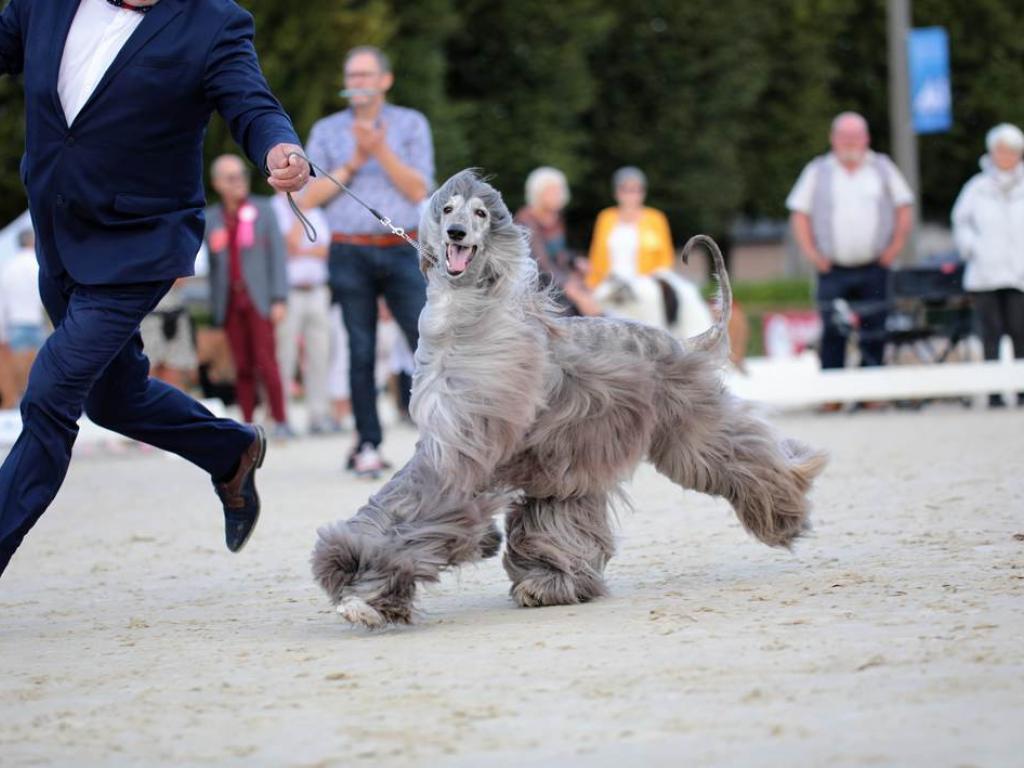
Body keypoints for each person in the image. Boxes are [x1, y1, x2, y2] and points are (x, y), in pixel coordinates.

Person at [0, 0, 311, 578]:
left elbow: (252, 104)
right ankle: (229, 450)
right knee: (112, 399)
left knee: (48, 396)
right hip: (58, 234)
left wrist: (279, 149)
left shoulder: (214, 21)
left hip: (138, 243)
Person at [301, 45, 434, 477]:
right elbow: (310, 196)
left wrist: (381, 151)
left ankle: (439, 437)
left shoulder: (411, 124)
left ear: (384, 80)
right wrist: (355, 159)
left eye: (364, 75)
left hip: (400, 248)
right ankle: (367, 444)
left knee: (425, 344)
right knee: (359, 349)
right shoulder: (326, 131)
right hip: (349, 248)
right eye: (351, 75)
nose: (356, 83)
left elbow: (419, 189)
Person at [787, 112, 914, 383]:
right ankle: (833, 390)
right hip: (832, 268)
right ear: (833, 139)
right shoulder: (817, 170)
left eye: (855, 136)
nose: (850, 142)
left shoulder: (883, 167)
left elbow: (904, 206)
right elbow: (799, 213)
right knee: (833, 330)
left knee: (875, 329)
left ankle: (872, 390)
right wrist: (811, 253)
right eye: (844, 137)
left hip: (874, 266)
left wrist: (895, 247)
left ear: (866, 138)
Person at [952, 123, 1024, 408]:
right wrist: (971, 248)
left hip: (1019, 272)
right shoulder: (976, 188)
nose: (1006, 156)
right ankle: (994, 391)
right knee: (990, 334)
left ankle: (1020, 389)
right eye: (1001, 151)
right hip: (985, 271)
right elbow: (961, 223)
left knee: (1021, 333)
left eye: (1012, 151)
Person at [271, 191, 335, 434]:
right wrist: (298, 215)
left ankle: (319, 416)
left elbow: (325, 249)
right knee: (284, 355)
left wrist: (301, 250)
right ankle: (282, 416)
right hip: (289, 293)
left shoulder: (314, 209)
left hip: (317, 290)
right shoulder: (274, 209)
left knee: (320, 354)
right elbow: (287, 246)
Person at [587, 167, 675, 326]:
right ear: (617, 193)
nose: (630, 195)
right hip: (611, 282)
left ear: (643, 192)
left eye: (635, 190)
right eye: (625, 190)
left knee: (649, 301)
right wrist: (591, 285)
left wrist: (655, 279)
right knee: (600, 306)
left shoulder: (656, 219)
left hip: (644, 282)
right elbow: (596, 257)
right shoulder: (605, 218)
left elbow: (665, 259)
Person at [514, 167, 601, 317]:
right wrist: (570, 287)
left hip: (557, 278)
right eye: (551, 191)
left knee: (596, 300)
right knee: (574, 308)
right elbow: (540, 261)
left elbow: (559, 252)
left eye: (559, 190)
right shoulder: (526, 219)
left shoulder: (556, 217)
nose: (558, 195)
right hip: (536, 284)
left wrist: (575, 260)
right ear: (537, 194)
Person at [0, 228, 46, 401]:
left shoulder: (8, 267)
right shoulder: (38, 264)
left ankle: (22, 406)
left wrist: (2, 333)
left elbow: (2, 302)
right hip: (36, 321)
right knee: (42, 370)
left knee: (19, 375)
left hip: (15, 324)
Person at [139, 279, 197, 391]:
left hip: (175, 314)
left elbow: (181, 278)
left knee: (173, 382)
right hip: (146, 319)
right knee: (146, 378)